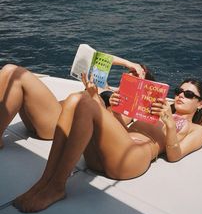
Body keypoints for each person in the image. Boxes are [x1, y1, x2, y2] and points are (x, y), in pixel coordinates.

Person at [12, 72, 202, 213]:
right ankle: (45, 180)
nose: (181, 96)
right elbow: (111, 126)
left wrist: (169, 122)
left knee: (82, 102)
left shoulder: (197, 130)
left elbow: (175, 155)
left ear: (200, 103)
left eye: (189, 94)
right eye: (179, 91)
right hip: (113, 150)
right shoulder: (156, 108)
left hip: (134, 158)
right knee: (75, 99)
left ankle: (56, 186)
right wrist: (113, 107)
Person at [0, 56, 145, 149]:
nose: (131, 76)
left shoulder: (126, 107)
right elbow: (98, 59)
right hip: (44, 117)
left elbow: (112, 128)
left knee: (12, 71)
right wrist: (129, 63)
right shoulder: (104, 86)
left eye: (135, 78)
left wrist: (113, 104)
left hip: (57, 123)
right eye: (130, 73)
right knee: (10, 75)